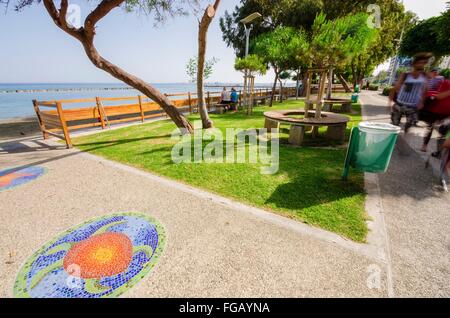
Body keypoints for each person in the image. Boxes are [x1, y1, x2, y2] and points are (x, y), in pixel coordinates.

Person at [389, 53, 431, 133]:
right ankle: (393, 141)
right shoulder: (405, 75)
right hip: (399, 104)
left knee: (409, 126)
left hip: (413, 107)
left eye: (423, 63)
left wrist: (422, 102)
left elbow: (425, 90)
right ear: (414, 64)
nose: (421, 65)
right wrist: (389, 103)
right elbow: (394, 88)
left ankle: (405, 132)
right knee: (393, 127)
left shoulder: (425, 76)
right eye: (419, 63)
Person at [420, 76, 450, 152]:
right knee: (430, 128)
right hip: (436, 111)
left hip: (447, 113)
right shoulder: (446, 82)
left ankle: (439, 151)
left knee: (443, 132)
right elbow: (439, 96)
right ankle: (424, 145)